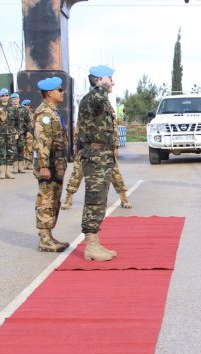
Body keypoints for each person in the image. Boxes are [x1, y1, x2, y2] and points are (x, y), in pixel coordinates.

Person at [77, 65, 119, 261]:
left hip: (102, 154)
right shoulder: (93, 97)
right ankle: (91, 245)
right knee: (94, 198)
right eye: (110, 79)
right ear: (100, 80)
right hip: (95, 155)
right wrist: (102, 85)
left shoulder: (99, 99)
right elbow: (97, 98)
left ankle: (95, 242)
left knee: (100, 197)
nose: (113, 83)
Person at [33, 77, 70, 252]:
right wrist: (43, 166)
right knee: (46, 199)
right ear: (50, 93)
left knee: (54, 199)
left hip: (57, 162)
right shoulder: (44, 114)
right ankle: (44, 239)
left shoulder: (53, 111)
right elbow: (41, 141)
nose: (63, 92)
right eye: (60, 90)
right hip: (49, 163)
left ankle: (49, 235)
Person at [61, 123, 132, 210]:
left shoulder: (106, 110)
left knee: (115, 173)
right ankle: (68, 199)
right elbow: (79, 128)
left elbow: (114, 130)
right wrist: (76, 144)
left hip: (105, 149)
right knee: (77, 173)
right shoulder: (85, 111)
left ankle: (124, 198)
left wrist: (115, 147)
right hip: (86, 148)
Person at [0, 88, 22, 179]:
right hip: (0, 133)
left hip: (11, 133)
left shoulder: (13, 107)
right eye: (3, 95)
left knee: (11, 152)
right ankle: (2, 171)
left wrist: (17, 132)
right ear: (0, 97)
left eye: (6, 95)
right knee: (1, 152)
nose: (5, 97)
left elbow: (18, 121)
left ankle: (9, 171)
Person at [21, 99, 35, 170]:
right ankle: (23, 164)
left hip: (30, 134)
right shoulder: (20, 113)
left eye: (28, 105)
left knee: (30, 149)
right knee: (23, 149)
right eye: (25, 105)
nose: (27, 106)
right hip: (23, 133)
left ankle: (29, 164)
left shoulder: (32, 114)